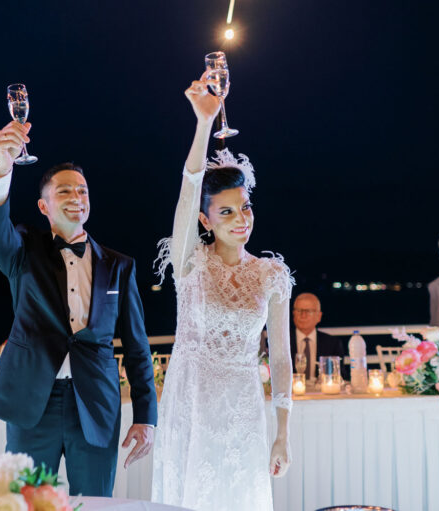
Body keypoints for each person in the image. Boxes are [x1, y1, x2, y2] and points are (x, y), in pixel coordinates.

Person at [0, 121, 157, 497]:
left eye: (82, 190)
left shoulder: (120, 266)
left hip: (95, 405)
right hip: (32, 403)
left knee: (95, 502)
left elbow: (137, 347)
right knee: (26, 502)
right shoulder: (23, 249)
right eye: (64, 191)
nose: (76, 196)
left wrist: (146, 416)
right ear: (44, 206)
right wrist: (3, 167)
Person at [151, 72, 293, 510]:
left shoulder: (271, 274)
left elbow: (281, 357)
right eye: (226, 212)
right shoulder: (190, 261)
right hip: (190, 403)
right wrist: (203, 124)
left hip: (243, 408)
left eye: (245, 208)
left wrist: (282, 433)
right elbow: (189, 187)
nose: (241, 219)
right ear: (205, 220)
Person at [290, 292, 347, 381]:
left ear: (319, 316)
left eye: (308, 311)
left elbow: (340, 376)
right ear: (293, 314)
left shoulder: (332, 343)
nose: (303, 315)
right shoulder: (283, 342)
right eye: (299, 311)